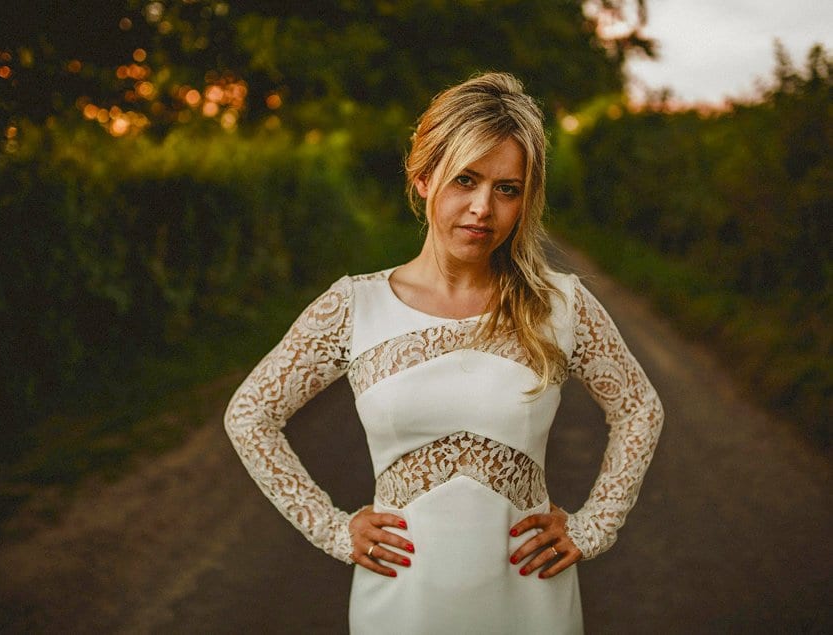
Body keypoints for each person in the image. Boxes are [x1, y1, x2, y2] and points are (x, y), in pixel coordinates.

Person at [224, 72, 664, 634]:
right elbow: (250, 414)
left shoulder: (560, 304)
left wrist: (593, 526)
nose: (483, 208)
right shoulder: (353, 307)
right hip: (400, 602)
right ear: (424, 177)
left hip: (530, 602)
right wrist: (332, 528)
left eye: (507, 189)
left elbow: (639, 408)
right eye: (466, 180)